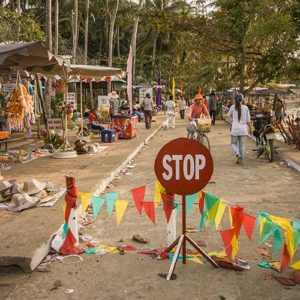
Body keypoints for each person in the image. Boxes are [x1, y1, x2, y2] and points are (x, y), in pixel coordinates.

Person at [228, 93, 252, 164]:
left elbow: (228, 115)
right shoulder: (246, 108)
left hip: (235, 129)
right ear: (242, 100)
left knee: (233, 144)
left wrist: (232, 118)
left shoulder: (232, 107)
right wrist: (250, 129)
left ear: (235, 100)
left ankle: (238, 154)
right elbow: (248, 120)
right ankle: (241, 160)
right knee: (242, 145)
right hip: (243, 130)